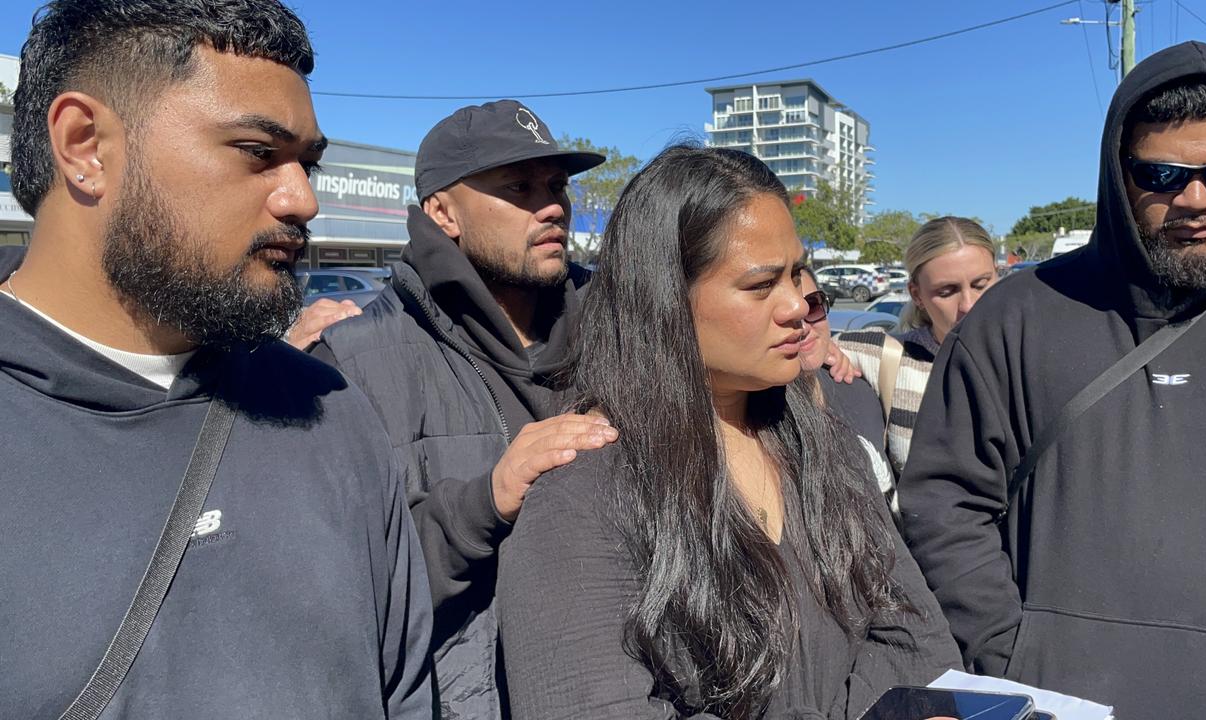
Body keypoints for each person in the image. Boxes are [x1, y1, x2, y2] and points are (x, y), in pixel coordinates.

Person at [0, 1, 433, 717]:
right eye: (258, 152)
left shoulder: (332, 414)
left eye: (308, 164)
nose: (304, 200)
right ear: (84, 144)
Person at [496, 146, 960, 719]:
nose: (798, 305)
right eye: (761, 285)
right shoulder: (582, 493)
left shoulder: (828, 445)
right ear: (666, 299)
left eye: (796, 273)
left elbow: (915, 639)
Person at [896, 42, 1206, 720]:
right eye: (1162, 174)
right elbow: (946, 502)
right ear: (1118, 172)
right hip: (1056, 701)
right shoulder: (1016, 315)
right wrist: (1012, 658)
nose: (1195, 200)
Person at [310, 100, 620, 718]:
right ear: (443, 212)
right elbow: (338, 595)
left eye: (557, 185)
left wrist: (813, 339)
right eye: (519, 187)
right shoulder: (352, 366)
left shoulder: (620, 331)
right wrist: (488, 499)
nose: (554, 205)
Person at [837, 217, 998, 480]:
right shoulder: (891, 357)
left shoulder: (1030, 357)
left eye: (981, 284)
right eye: (947, 291)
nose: (968, 304)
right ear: (916, 295)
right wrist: (824, 351)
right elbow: (809, 345)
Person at [797, 265, 887, 442]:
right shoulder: (759, 424)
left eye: (812, 305)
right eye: (787, 317)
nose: (803, 327)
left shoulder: (862, 395)